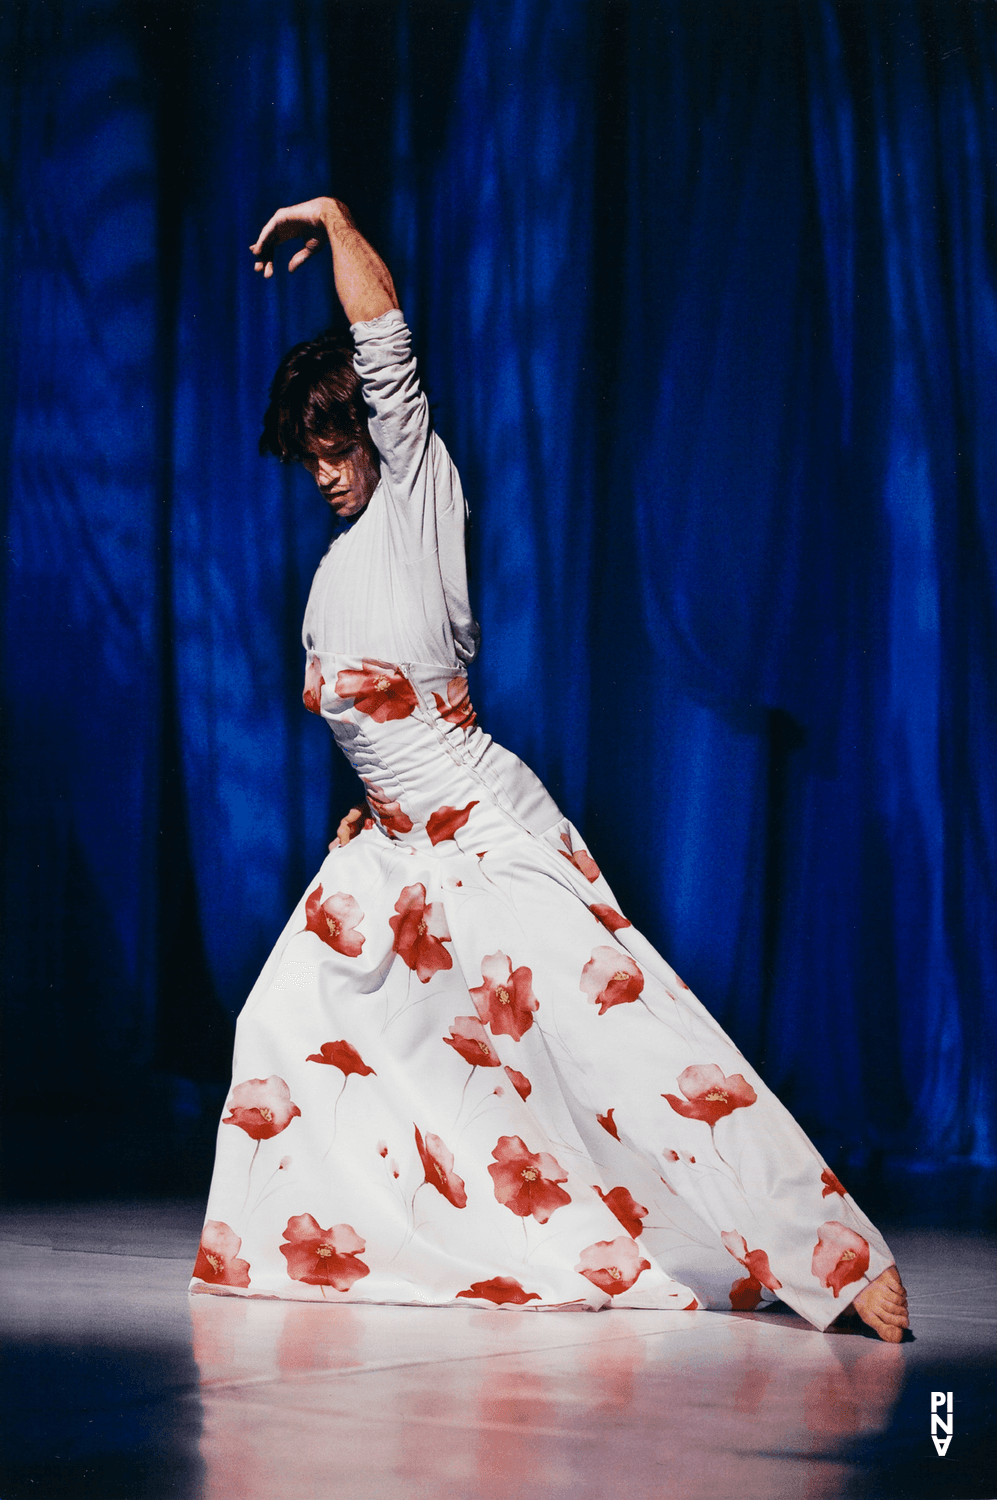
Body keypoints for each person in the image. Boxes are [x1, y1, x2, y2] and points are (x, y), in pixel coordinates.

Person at [190, 196, 909, 1341]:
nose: (328, 470)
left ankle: (833, 1250)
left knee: (620, 1034)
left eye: (341, 445)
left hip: (483, 828)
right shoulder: (334, 575)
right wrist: (359, 816)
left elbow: (385, 339)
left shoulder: (418, 494)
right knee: (284, 1020)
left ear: (377, 435)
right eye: (312, 454)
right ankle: (393, 1253)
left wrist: (331, 219)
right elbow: (377, 727)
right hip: (391, 857)